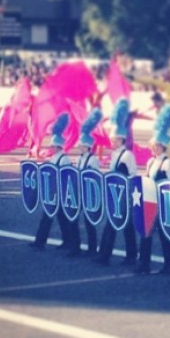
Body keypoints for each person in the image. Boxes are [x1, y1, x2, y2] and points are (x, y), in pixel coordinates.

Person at [95, 100, 138, 266]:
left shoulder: (128, 156)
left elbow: (133, 175)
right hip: (115, 195)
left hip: (124, 196)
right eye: (112, 139)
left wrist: (128, 195)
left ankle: (123, 255)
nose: (112, 142)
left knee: (124, 227)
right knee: (117, 226)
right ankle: (108, 254)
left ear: (121, 140)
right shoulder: (114, 155)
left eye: (115, 140)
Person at [138, 105, 170, 275]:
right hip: (150, 202)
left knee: (164, 236)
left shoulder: (168, 163)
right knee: (145, 233)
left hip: (162, 204)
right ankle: (144, 263)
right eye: (153, 145)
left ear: (163, 146)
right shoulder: (150, 162)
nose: (154, 148)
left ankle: (169, 263)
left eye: (157, 145)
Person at [31, 113, 77, 253]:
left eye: (54, 146)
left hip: (60, 193)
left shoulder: (64, 159)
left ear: (58, 146)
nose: (52, 148)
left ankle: (46, 242)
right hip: (53, 192)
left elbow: (65, 177)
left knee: (57, 218)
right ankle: (45, 241)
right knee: (55, 218)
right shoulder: (55, 157)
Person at [67, 108, 103, 257]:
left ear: (88, 146)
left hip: (88, 194)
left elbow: (95, 177)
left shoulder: (93, 159)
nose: (79, 147)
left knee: (89, 222)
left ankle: (92, 248)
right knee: (74, 219)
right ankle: (75, 246)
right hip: (78, 192)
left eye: (81, 145)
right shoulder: (79, 159)